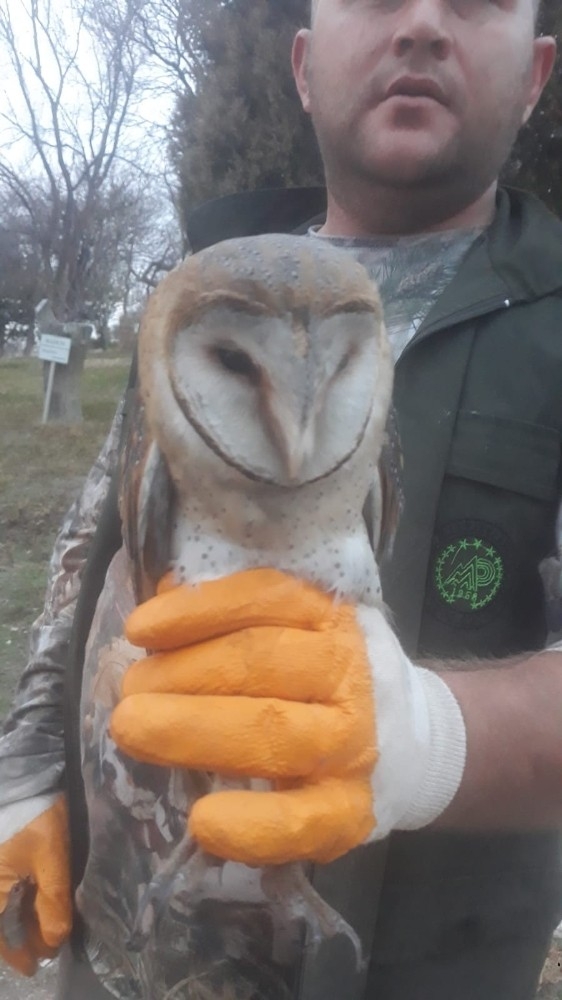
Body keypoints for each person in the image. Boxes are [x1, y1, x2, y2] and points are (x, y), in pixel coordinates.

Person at [1, 0, 561, 997]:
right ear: (302, 66)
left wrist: (433, 737)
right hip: (116, 944)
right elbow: (94, 549)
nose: (424, 23)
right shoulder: (196, 283)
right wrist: (28, 769)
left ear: (535, 75)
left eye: (475, 1)